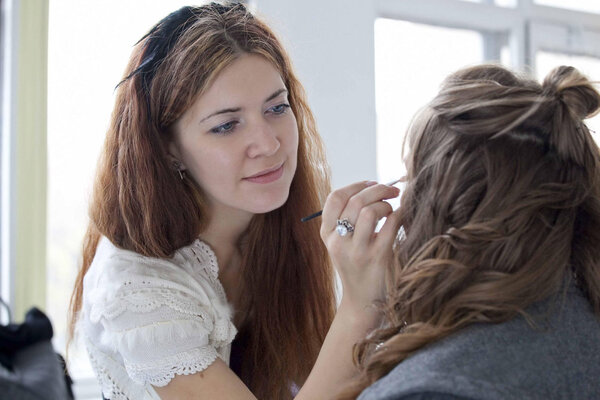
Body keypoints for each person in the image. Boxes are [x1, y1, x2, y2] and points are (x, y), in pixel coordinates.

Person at [67, 3, 400, 400]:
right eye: (226, 125)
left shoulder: (280, 220)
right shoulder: (137, 289)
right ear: (168, 149)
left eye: (277, 108)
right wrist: (361, 306)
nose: (269, 144)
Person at [334, 64, 600, 399]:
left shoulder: (431, 389)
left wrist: (358, 307)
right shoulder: (582, 324)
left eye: (411, 176)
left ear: (444, 204)